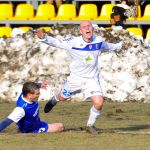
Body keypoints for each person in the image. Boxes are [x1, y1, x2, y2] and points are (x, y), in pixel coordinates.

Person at [35, 21, 122, 134]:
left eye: (89, 26)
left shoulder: (98, 40)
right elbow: (57, 42)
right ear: (81, 31)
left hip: (91, 79)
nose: (87, 28)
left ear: (92, 29)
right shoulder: (73, 42)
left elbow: (107, 46)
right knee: (62, 97)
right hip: (76, 79)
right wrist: (44, 38)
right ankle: (54, 99)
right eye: (84, 27)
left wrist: (119, 46)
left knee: (99, 102)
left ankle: (90, 126)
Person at [0, 81, 64, 133]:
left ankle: (20, 131)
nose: (39, 95)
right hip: (34, 129)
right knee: (61, 126)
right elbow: (6, 122)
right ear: (30, 95)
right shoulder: (20, 109)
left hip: (37, 123)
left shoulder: (24, 93)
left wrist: (40, 85)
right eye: (37, 94)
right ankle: (23, 132)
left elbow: (28, 86)